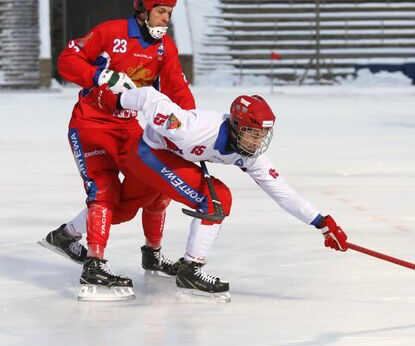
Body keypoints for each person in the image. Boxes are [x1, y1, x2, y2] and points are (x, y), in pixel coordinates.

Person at [82, 84, 349, 302]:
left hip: (164, 159)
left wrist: (322, 223)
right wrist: (116, 100)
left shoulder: (252, 155)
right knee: (216, 198)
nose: (256, 142)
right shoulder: (192, 128)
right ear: (235, 126)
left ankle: (65, 234)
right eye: (251, 134)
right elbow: (150, 97)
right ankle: (191, 268)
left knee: (120, 211)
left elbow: (280, 190)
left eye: (262, 135)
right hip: (147, 154)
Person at [38, 0, 196, 299]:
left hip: (130, 128)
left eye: (169, 13)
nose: (166, 20)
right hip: (91, 124)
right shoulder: (110, 33)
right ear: (142, 10)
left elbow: (177, 88)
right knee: (105, 188)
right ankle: (95, 263)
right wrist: (98, 76)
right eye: (161, 12)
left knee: (157, 181)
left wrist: (191, 125)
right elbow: (68, 60)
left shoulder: (165, 47)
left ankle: (151, 253)